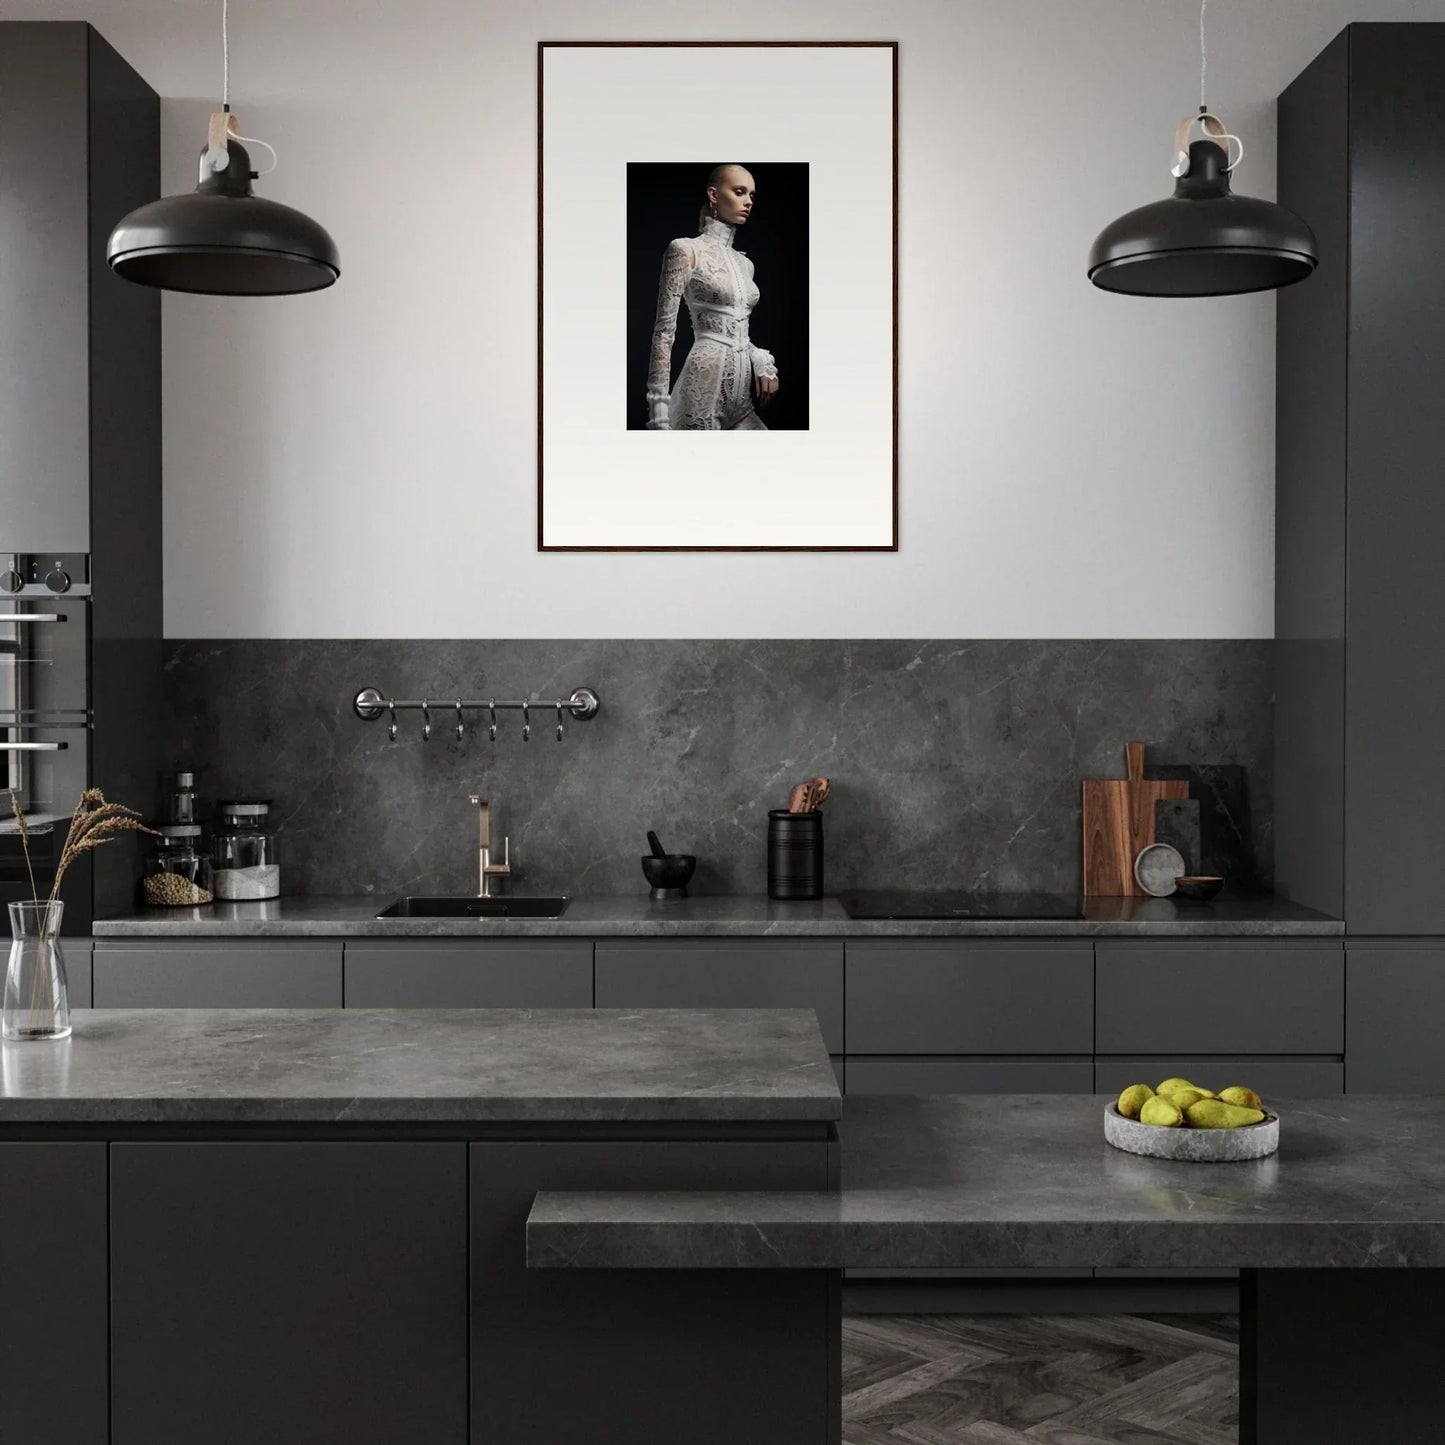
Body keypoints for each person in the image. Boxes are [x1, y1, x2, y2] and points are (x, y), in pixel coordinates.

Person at [644, 164, 780, 430]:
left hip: (742, 401)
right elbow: (664, 332)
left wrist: (760, 359)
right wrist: (658, 409)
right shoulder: (685, 249)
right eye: (739, 192)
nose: (747, 202)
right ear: (714, 195)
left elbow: (735, 329)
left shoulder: (745, 264)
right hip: (701, 392)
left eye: (751, 195)